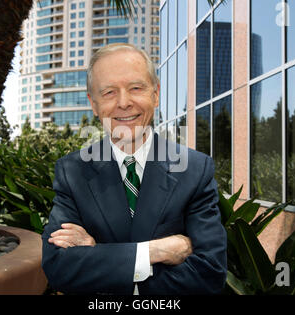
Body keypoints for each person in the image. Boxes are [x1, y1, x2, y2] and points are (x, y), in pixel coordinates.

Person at [41, 43, 227, 295]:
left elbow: (209, 273)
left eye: (136, 88)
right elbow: (60, 267)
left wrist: (99, 256)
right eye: (108, 92)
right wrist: (155, 251)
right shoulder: (72, 172)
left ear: (156, 93)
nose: (124, 102)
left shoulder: (194, 170)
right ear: (93, 104)